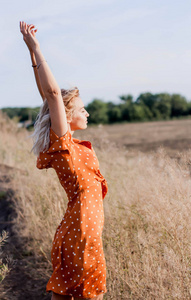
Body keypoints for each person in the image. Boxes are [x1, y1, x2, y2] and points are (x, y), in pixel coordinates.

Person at [19, 21, 108, 300]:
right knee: (85, 294)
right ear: (67, 116)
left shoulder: (72, 145)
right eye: (82, 109)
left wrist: (32, 57)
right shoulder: (64, 144)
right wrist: (37, 48)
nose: (87, 114)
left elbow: (47, 98)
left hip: (82, 228)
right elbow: (53, 95)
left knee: (70, 293)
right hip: (81, 229)